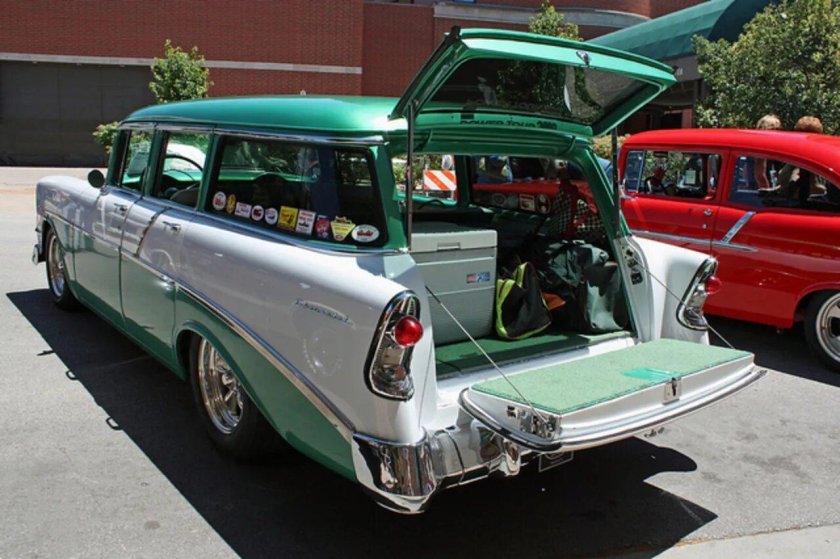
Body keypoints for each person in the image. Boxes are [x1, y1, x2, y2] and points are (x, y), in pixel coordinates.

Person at [754, 114, 782, 190]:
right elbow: (760, 177)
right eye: (773, 129)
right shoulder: (759, 150)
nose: (777, 132)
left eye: (778, 129)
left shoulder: (778, 151)